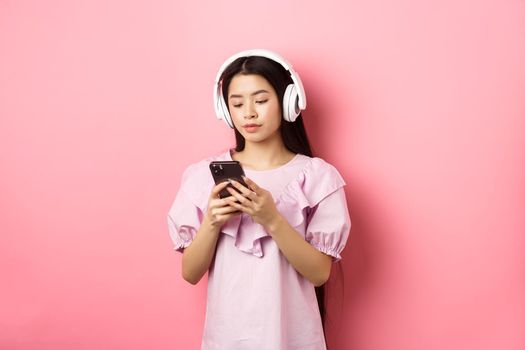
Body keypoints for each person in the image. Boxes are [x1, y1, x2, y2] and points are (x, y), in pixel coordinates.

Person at [167, 49, 351, 350]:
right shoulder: (201, 177)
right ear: (225, 110)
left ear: (289, 103)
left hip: (294, 339)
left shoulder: (318, 177)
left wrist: (272, 219)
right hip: (227, 338)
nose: (248, 113)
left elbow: (319, 274)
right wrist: (212, 222)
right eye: (236, 103)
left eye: (261, 100)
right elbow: (190, 273)